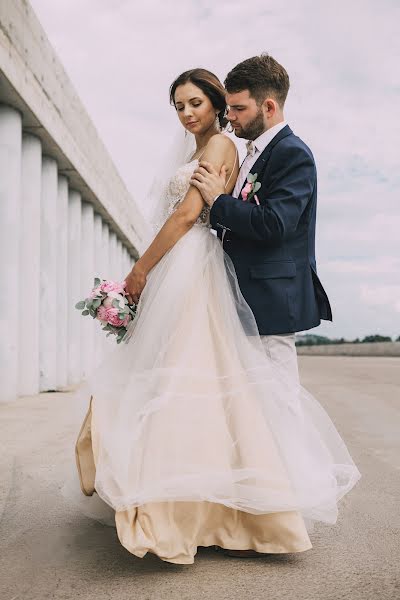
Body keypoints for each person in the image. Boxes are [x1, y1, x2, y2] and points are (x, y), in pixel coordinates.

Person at [74, 63, 360, 565]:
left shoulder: (287, 152)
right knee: (222, 397)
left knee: (275, 402)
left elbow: (267, 222)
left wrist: (210, 207)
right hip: (216, 282)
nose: (221, 116)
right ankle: (224, 503)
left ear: (266, 106)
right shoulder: (245, 151)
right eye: (182, 106)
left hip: (266, 297)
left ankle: (280, 502)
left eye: (229, 107)